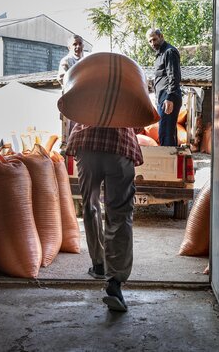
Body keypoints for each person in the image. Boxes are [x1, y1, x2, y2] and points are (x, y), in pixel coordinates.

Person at [66, 123, 143, 313]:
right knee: (120, 213)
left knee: (91, 207)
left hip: (87, 143)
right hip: (119, 146)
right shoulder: (128, 92)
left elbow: (73, 109)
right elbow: (139, 122)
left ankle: (99, 264)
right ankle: (114, 284)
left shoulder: (88, 91)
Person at [146, 28, 183, 146]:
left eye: (154, 39)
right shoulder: (159, 55)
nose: (153, 43)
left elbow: (174, 76)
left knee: (165, 134)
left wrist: (170, 98)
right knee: (168, 133)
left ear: (161, 36)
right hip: (163, 99)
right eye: (150, 41)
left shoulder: (169, 52)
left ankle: (168, 163)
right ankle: (173, 162)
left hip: (168, 98)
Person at [58, 35, 85, 151]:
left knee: (84, 132)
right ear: (69, 47)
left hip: (85, 104)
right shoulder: (66, 61)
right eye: (74, 44)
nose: (78, 46)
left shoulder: (86, 61)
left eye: (80, 44)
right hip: (71, 103)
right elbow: (63, 78)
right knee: (71, 133)